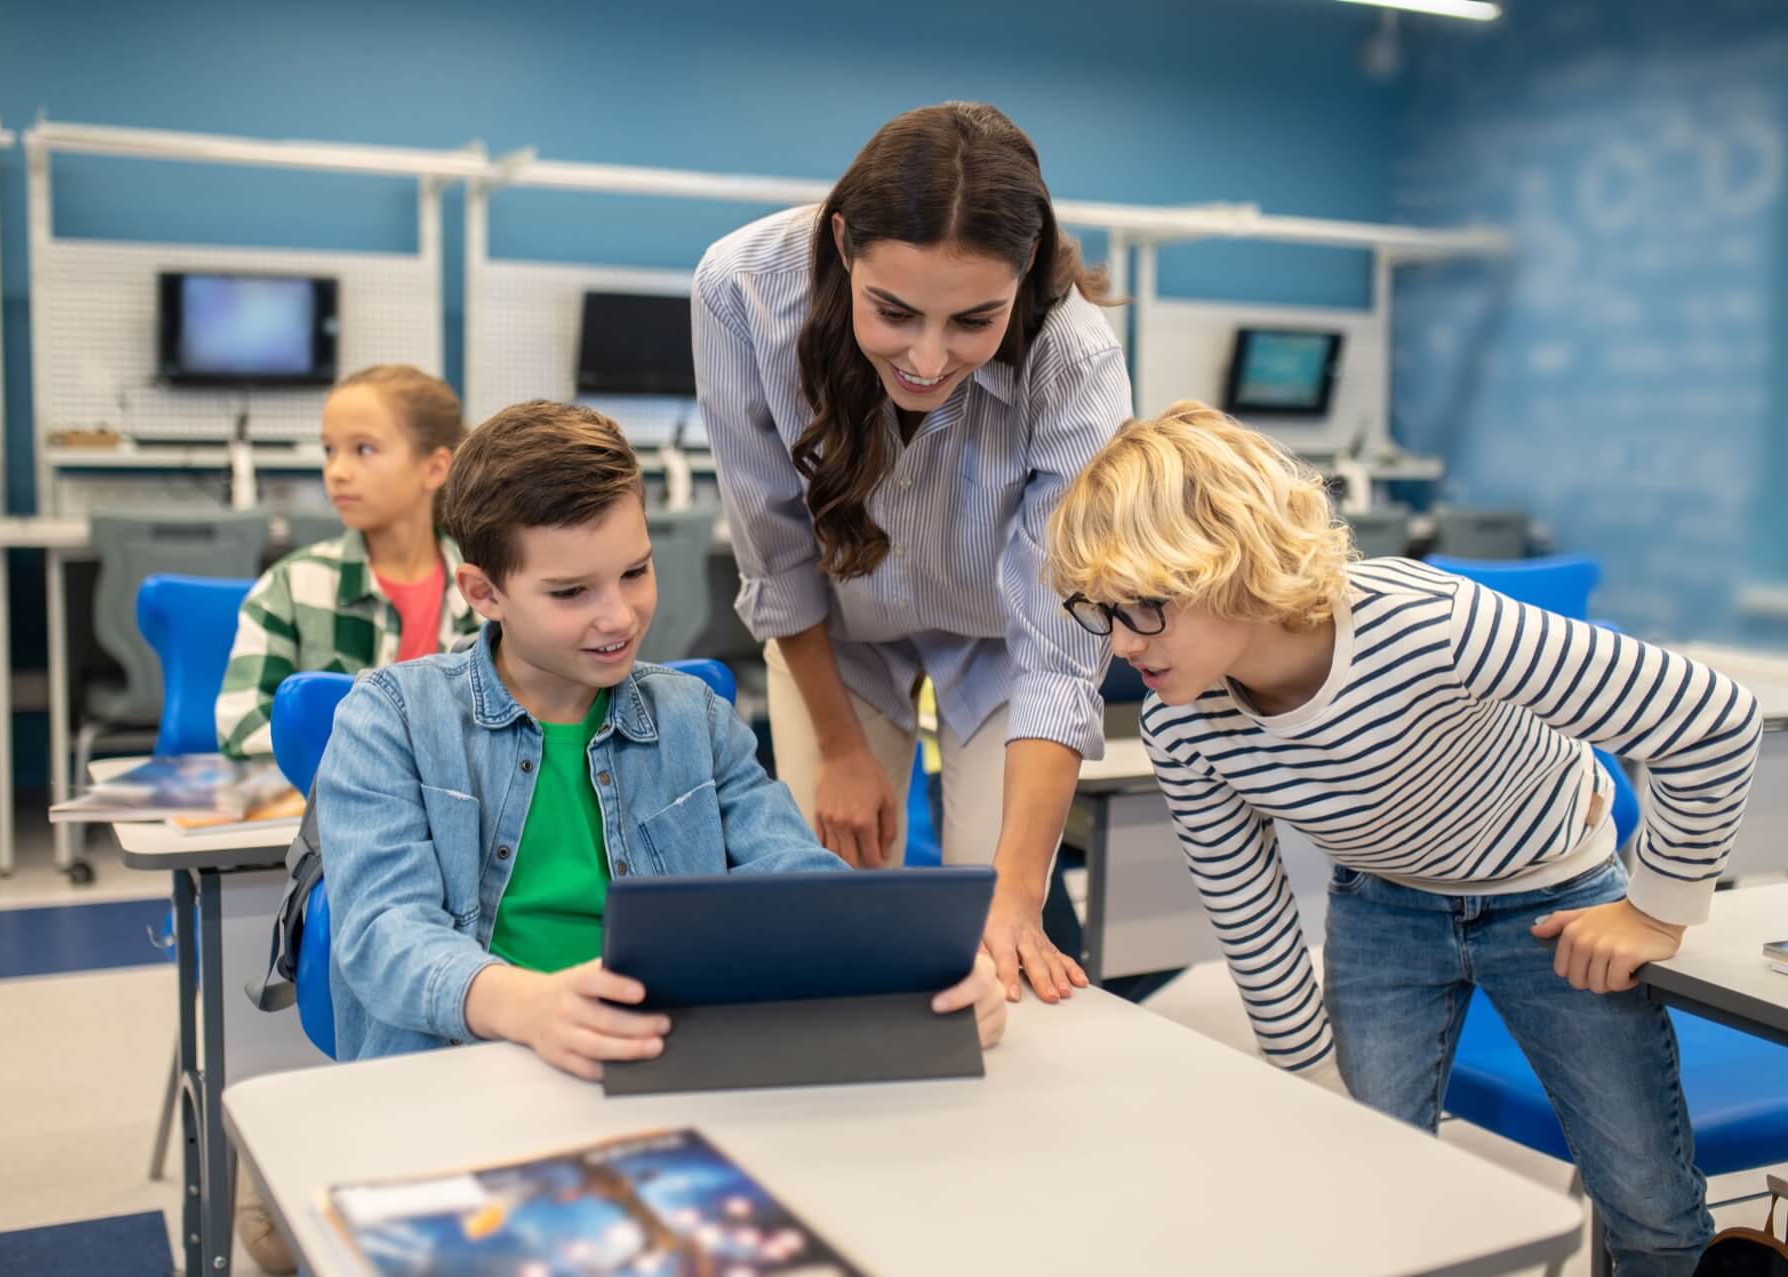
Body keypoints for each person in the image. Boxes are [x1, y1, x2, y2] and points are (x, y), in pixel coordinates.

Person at [1044, 400, 1762, 1276]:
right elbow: (1249, 908)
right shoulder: (1183, 724)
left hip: (1554, 897)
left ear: (1230, 565)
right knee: (1368, 1188)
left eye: (1144, 608)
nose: (1121, 644)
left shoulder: (1432, 625)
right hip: (1384, 909)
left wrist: (1656, 910)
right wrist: (1309, 1085)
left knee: (1647, 1200)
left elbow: (1712, 717)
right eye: (1102, 612)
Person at [314, 399, 1007, 1070]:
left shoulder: (695, 718)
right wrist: (530, 1006)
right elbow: (384, 934)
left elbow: (799, 888)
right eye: (571, 592)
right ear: (484, 592)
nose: (618, 616)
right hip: (462, 1074)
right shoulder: (390, 718)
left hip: (660, 1064)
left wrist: (916, 971)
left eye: (635, 571)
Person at [694, 101, 1131, 1002]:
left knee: (999, 928)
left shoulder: (1077, 357)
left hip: (1003, 639)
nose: (928, 359)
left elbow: (1060, 646)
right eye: (894, 312)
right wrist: (841, 749)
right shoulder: (741, 290)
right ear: (845, 242)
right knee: (838, 919)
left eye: (975, 321)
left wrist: (1014, 900)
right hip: (839, 633)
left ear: (1024, 275)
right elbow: (774, 553)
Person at [216, 364, 476, 758]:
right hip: (330, 812)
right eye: (329, 451)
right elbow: (241, 728)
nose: (336, 472)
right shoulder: (290, 587)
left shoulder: (487, 595)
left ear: (435, 467)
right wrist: (375, 764)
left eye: (364, 449)